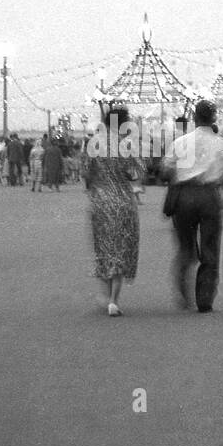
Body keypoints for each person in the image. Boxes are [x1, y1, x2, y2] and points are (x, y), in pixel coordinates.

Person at [163, 98, 223, 313]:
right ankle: (204, 298)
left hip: (183, 196)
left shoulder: (180, 142)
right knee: (210, 247)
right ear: (214, 118)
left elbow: (166, 170)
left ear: (194, 117)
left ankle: (183, 290)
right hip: (209, 196)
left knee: (185, 248)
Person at [85, 102, 145, 317]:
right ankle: (113, 301)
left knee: (103, 248)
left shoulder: (94, 143)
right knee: (121, 248)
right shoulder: (126, 144)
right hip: (122, 200)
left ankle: (105, 293)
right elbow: (138, 171)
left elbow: (86, 172)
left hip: (100, 201)